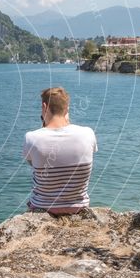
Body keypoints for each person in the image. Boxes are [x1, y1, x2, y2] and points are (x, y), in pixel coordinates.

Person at [22, 87, 97, 215]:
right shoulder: (88, 133)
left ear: (44, 107)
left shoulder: (31, 138)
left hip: (43, 207)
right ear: (67, 109)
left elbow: (33, 164)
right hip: (78, 207)